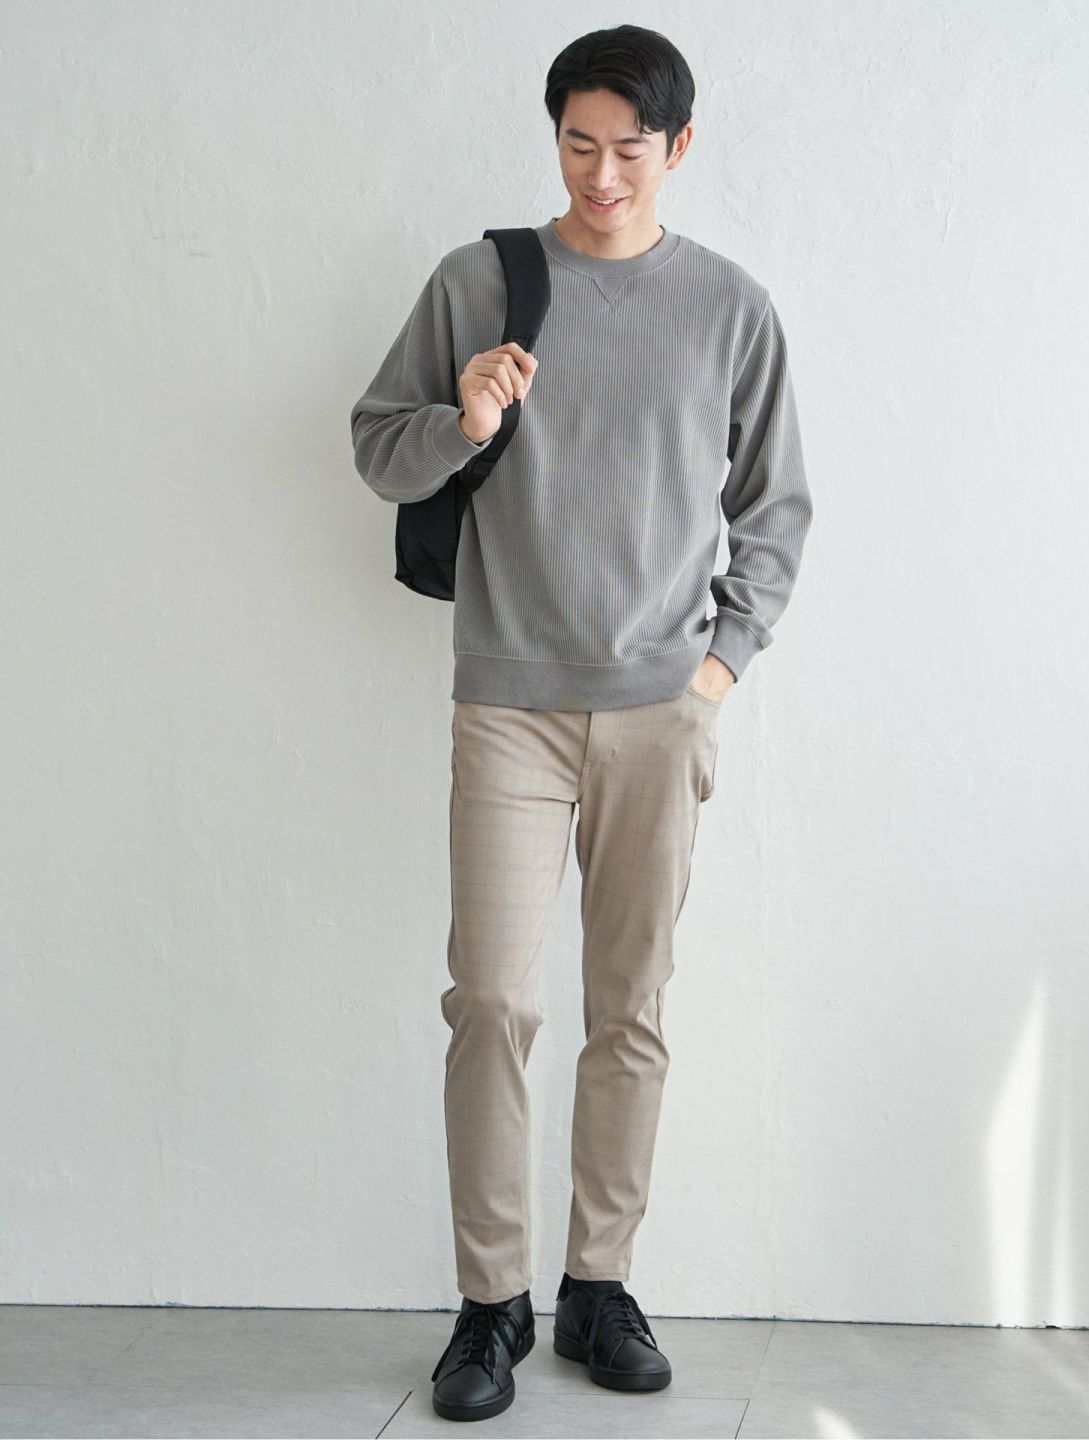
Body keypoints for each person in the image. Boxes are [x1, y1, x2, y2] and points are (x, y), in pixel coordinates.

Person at [349, 23, 814, 1423]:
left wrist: (715, 673)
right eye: (576, 145)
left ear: (680, 148)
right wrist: (464, 420)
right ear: (553, 137)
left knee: (631, 1009)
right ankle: (490, 1303)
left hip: (660, 711)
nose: (601, 176)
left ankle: (598, 1285)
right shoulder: (480, 281)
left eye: (629, 150)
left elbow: (775, 512)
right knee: (492, 1002)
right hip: (509, 704)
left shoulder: (729, 307)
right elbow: (378, 448)